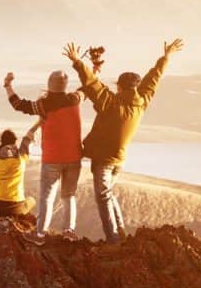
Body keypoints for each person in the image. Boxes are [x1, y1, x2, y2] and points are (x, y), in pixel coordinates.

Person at [64, 38, 185, 244]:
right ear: (135, 88)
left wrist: (77, 61)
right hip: (119, 160)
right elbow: (153, 79)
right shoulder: (141, 102)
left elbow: (92, 84)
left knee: (103, 198)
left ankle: (113, 239)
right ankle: (119, 231)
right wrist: (165, 58)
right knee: (108, 194)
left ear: (119, 87)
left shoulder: (111, 103)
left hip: (104, 160)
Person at [5, 70, 86, 245]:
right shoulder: (75, 99)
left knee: (47, 197)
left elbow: (18, 104)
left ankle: (40, 234)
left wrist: (8, 86)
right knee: (69, 195)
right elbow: (86, 88)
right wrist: (94, 70)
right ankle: (69, 231)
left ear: (49, 84)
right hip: (74, 157)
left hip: (52, 158)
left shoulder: (43, 105)